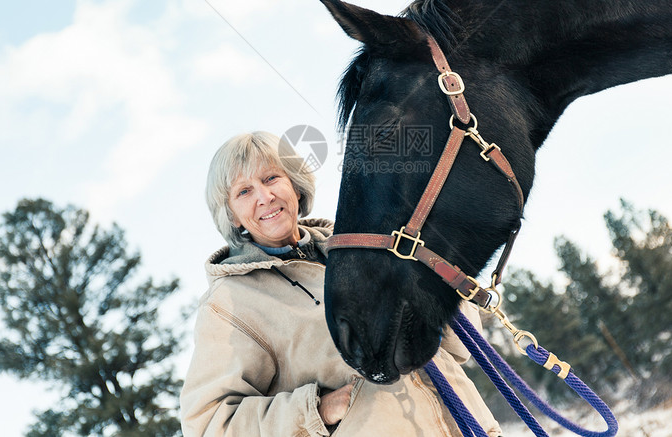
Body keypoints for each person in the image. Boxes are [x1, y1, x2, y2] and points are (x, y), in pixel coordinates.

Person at [180, 131, 501, 436]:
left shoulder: (373, 247)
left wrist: (441, 288)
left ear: (295, 185)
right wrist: (314, 411)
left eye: (271, 178)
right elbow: (210, 424)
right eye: (244, 191)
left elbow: (456, 350)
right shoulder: (230, 302)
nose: (265, 196)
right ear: (232, 215)